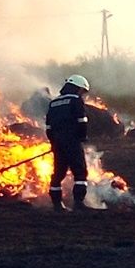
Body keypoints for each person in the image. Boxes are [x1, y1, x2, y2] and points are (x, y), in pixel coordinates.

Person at [45, 74, 90, 211]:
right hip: (72, 142)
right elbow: (81, 121)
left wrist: (54, 143)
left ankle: (57, 205)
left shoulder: (53, 103)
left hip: (58, 143)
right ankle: (78, 203)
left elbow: (48, 127)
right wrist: (82, 137)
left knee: (58, 174)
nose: (82, 94)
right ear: (77, 88)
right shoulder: (76, 100)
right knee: (80, 172)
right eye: (82, 91)